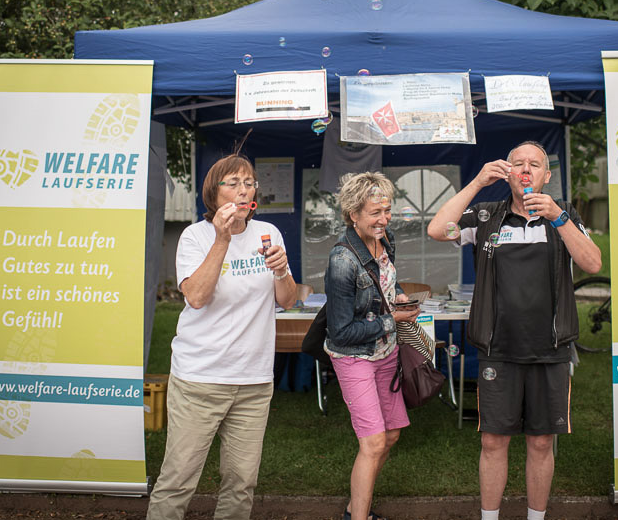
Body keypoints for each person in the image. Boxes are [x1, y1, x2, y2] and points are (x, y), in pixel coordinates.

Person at [427, 141, 601, 520]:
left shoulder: (563, 214)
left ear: (546, 176)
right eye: (517, 163)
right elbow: (437, 229)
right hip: (498, 351)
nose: (525, 169)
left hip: (550, 350)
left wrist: (558, 217)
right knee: (493, 442)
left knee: (541, 443)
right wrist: (477, 183)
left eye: (534, 164)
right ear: (507, 173)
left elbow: (592, 263)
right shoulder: (486, 215)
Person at [147, 154, 298, 520]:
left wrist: (281, 272)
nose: (243, 190)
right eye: (233, 183)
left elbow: (288, 300)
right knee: (178, 479)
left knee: (241, 482)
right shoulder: (195, 236)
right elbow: (197, 297)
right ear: (213, 194)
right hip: (201, 378)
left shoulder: (268, 233)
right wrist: (222, 239)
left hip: (254, 380)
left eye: (249, 183)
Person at [325, 172, 423, 520]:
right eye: (375, 212)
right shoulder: (342, 260)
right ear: (353, 214)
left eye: (387, 210)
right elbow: (340, 332)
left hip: (386, 352)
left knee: (391, 434)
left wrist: (399, 297)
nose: (384, 219)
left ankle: (356, 506)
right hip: (354, 357)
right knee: (373, 442)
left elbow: (385, 283)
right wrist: (392, 320)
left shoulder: (385, 240)